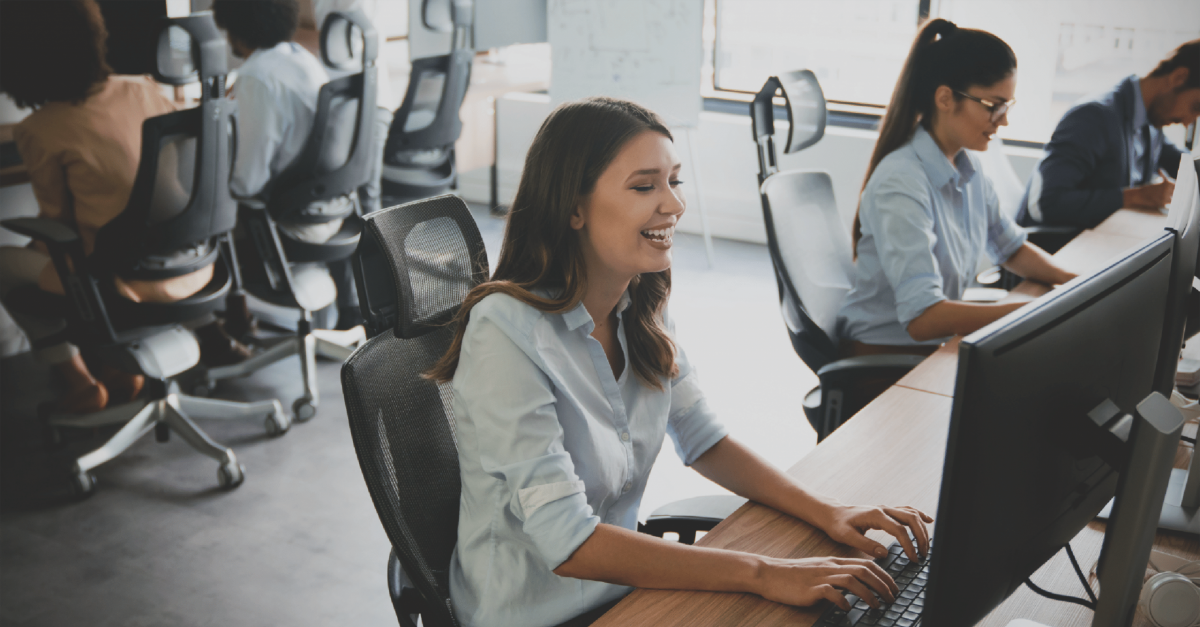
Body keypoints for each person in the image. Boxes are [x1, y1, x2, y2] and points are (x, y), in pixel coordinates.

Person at [425, 97, 933, 627]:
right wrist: (763, 571)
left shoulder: (640, 307)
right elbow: (569, 542)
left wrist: (828, 510)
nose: (673, 204)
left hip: (622, 592)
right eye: (644, 186)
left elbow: (702, 437)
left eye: (675, 180)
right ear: (573, 208)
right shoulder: (505, 332)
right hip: (536, 614)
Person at [0, 0, 234, 413]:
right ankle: (117, 367)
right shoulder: (146, 89)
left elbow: (58, 225)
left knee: (9, 262)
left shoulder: (38, 129)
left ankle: (80, 381)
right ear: (93, 37)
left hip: (124, 283)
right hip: (195, 265)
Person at [837, 19, 1075, 358]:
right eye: (994, 106)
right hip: (885, 359)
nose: (1004, 120)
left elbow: (1011, 248)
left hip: (932, 348)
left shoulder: (969, 168)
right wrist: (1031, 312)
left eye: (1008, 105)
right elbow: (923, 318)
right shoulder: (901, 183)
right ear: (945, 99)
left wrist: (1074, 281)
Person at [211, 0, 361, 328]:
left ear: (236, 28)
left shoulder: (256, 76)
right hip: (330, 210)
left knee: (204, 210)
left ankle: (228, 325)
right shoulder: (301, 58)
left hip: (290, 223)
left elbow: (246, 183)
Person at [1018, 40, 1200, 228]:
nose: (1187, 122)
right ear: (1179, 77)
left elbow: (1186, 165)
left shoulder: (1151, 123)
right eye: (1195, 107)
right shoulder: (1093, 117)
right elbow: (1046, 204)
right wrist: (1136, 196)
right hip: (1061, 244)